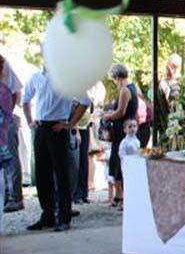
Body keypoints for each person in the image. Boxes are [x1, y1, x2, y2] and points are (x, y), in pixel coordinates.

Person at [22, 66, 91, 232]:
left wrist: (70, 124)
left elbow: (85, 101)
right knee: (42, 173)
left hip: (58, 127)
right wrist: (30, 120)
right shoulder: (36, 77)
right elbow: (25, 99)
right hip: (41, 127)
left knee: (62, 173)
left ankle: (64, 216)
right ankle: (48, 214)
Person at [102, 64, 138, 207]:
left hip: (122, 129)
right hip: (126, 127)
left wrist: (107, 116)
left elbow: (121, 112)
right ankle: (118, 195)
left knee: (118, 162)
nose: (115, 82)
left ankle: (122, 195)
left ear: (117, 77)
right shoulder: (133, 88)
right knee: (118, 162)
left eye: (114, 79)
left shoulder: (124, 90)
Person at [0, 53, 23, 212]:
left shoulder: (3, 63)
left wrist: (7, 114)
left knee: (10, 159)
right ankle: (7, 196)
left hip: (5, 119)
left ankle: (15, 197)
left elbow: (16, 91)